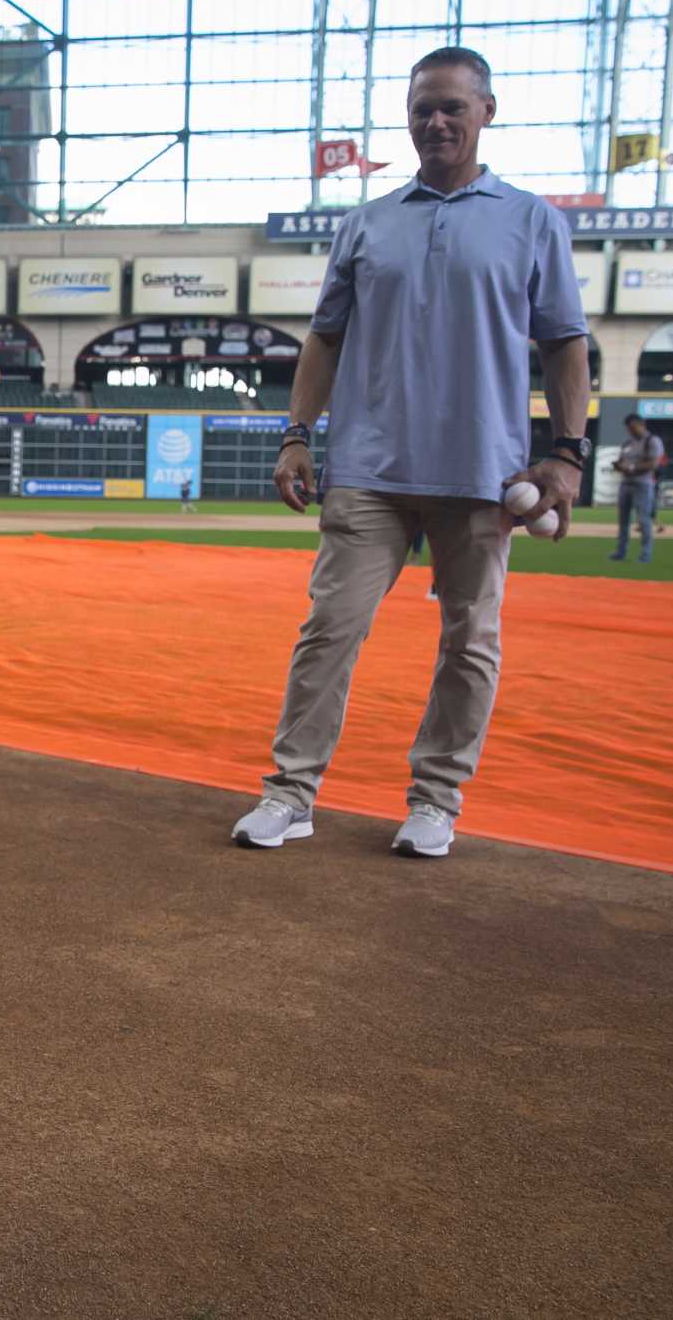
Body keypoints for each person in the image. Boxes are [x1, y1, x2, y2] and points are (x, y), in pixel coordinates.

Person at [231, 46, 589, 860]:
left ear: (486, 113)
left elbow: (567, 343)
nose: (436, 121)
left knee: (470, 641)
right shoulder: (368, 221)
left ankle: (435, 799)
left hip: (484, 475)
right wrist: (296, 432)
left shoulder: (532, 220)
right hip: (368, 466)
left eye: (453, 107)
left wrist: (566, 453)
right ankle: (291, 792)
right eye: (423, 107)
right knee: (329, 628)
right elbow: (325, 337)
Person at [608, 412, 663, 563]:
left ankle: (645, 554)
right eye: (628, 428)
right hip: (625, 484)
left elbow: (653, 464)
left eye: (633, 428)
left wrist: (631, 467)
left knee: (644, 519)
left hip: (643, 484)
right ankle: (620, 552)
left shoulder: (652, 441)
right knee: (623, 520)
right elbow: (621, 461)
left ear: (641, 425)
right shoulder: (627, 443)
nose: (630, 431)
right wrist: (618, 466)